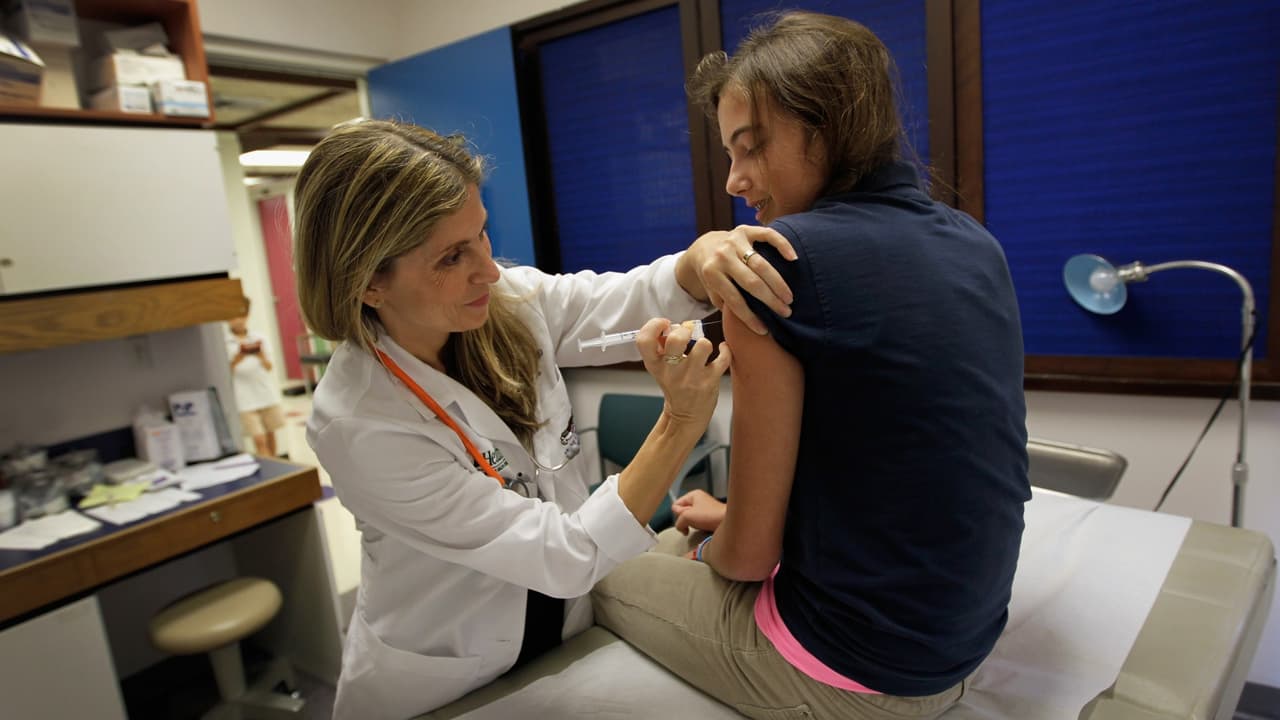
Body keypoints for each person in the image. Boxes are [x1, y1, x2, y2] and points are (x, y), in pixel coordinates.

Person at [592, 12, 1031, 720]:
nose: (735, 181)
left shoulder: (770, 261)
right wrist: (732, 515)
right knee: (692, 528)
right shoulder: (976, 245)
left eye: (751, 148)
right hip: (964, 641)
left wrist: (709, 549)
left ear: (825, 126)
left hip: (853, 673)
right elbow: (889, 463)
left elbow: (747, 558)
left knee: (600, 572)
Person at [292, 119, 797, 719]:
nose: (488, 268)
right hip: (447, 680)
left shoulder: (503, 304)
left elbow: (618, 298)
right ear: (369, 282)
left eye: (481, 234)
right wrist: (680, 421)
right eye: (452, 256)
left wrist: (696, 262)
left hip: (564, 635)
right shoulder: (358, 422)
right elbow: (564, 554)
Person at [225, 300, 286, 457]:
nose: (238, 320)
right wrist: (237, 358)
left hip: (265, 393)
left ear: (247, 316)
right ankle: (271, 470)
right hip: (244, 398)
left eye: (241, 315)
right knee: (259, 439)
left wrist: (261, 355)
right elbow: (225, 372)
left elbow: (269, 366)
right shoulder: (224, 343)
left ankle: (276, 465)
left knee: (271, 433)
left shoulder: (259, 338)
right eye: (233, 317)